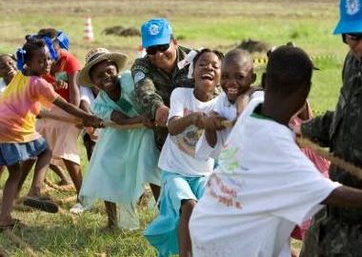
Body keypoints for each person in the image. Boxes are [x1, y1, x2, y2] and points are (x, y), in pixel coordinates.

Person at [188, 45, 362, 257]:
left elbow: (248, 97)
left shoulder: (252, 112)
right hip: (232, 245)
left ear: (263, 83)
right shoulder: (282, 150)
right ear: (306, 91)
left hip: (208, 223)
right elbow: (333, 194)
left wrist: (302, 130)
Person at [295, 0, 362, 256]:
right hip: (334, 220)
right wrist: (299, 129)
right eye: (352, 36)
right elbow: (347, 118)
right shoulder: (355, 61)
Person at [0, 36, 103, 230]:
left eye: (49, 58)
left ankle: (4, 218)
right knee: (46, 150)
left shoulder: (21, 76)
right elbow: (65, 105)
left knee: (14, 173)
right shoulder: (39, 84)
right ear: (28, 63)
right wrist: (89, 118)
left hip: (2, 127)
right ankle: (35, 191)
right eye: (41, 61)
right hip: (13, 130)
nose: (47, 63)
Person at [144, 49, 224, 257]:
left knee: (209, 213)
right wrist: (193, 118)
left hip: (204, 174)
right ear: (192, 71)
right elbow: (172, 127)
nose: (208, 68)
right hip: (175, 171)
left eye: (215, 66)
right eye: (203, 64)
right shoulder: (180, 93)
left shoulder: (221, 104)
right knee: (188, 206)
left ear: (220, 77)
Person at [77, 48, 161, 229]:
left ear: (117, 70)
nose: (106, 77)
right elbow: (120, 120)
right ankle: (112, 221)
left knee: (149, 166)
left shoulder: (129, 80)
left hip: (147, 130)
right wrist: (140, 119)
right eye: (99, 76)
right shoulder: (99, 103)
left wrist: (146, 118)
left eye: (109, 71)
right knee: (105, 166)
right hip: (121, 132)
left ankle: (165, 214)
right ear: (93, 82)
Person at [131, 18, 197, 151]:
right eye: (152, 50)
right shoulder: (142, 66)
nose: (159, 54)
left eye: (163, 47)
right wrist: (158, 108)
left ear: (175, 42)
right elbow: (145, 92)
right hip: (166, 140)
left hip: (200, 133)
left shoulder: (197, 60)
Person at [34, 28, 83, 194]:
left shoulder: (69, 61)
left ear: (59, 45)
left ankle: (82, 195)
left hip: (71, 109)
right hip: (48, 110)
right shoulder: (38, 62)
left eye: (54, 50)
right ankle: (30, 192)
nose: (51, 57)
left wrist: (76, 118)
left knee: (66, 150)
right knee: (36, 146)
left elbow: (75, 92)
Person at [195, 48, 260, 160]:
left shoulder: (258, 99)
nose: (231, 83)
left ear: (252, 78)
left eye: (240, 77)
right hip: (231, 166)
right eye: (225, 77)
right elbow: (214, 146)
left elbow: (242, 123)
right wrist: (210, 127)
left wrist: (244, 97)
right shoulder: (222, 100)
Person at [0, 54, 18, 180]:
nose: (9, 67)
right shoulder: (1, 89)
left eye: (11, 63)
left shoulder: (25, 81)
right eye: (3, 67)